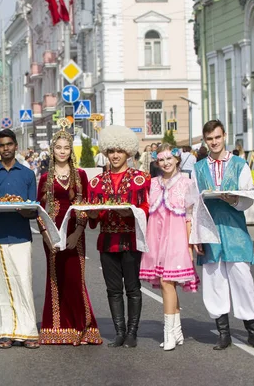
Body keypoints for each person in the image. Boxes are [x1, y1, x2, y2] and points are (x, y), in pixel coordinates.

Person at [192, 120, 254, 351]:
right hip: (210, 228)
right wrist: (195, 235)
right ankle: (223, 333)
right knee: (215, 281)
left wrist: (235, 200)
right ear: (205, 141)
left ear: (224, 135)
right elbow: (194, 203)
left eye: (217, 137)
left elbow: (248, 195)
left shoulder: (239, 164)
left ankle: (253, 331)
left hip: (235, 229)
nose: (214, 142)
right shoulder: (198, 168)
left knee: (243, 281)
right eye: (209, 139)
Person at [36, 126, 103, 346]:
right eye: (58, 147)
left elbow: (84, 206)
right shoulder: (45, 177)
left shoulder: (80, 175)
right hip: (53, 235)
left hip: (75, 232)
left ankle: (82, 328)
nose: (62, 151)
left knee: (76, 280)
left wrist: (78, 232)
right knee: (56, 280)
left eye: (66, 148)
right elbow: (40, 210)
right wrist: (46, 237)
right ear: (52, 150)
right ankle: (57, 329)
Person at [87, 125, 151, 348]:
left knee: (133, 288)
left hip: (131, 240)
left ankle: (132, 332)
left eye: (119, 151)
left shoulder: (141, 179)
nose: (115, 155)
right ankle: (119, 332)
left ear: (128, 152)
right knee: (113, 290)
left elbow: (146, 209)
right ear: (106, 152)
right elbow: (92, 219)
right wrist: (93, 214)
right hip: (107, 241)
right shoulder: (95, 183)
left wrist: (133, 212)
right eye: (111, 151)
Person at [0, 129, 40, 349]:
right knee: (2, 286)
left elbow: (33, 210)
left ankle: (28, 332)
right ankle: (5, 332)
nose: (5, 148)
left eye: (9, 144)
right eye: (1, 145)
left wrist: (21, 208)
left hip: (22, 236)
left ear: (16, 146)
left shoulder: (26, 175)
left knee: (24, 282)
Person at [139, 144, 199, 351]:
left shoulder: (186, 183)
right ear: (157, 162)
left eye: (169, 159)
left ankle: (169, 333)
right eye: (161, 160)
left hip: (176, 238)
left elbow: (190, 217)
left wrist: (190, 245)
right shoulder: (153, 183)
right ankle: (177, 331)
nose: (165, 163)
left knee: (167, 282)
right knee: (169, 284)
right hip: (156, 238)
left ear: (176, 160)